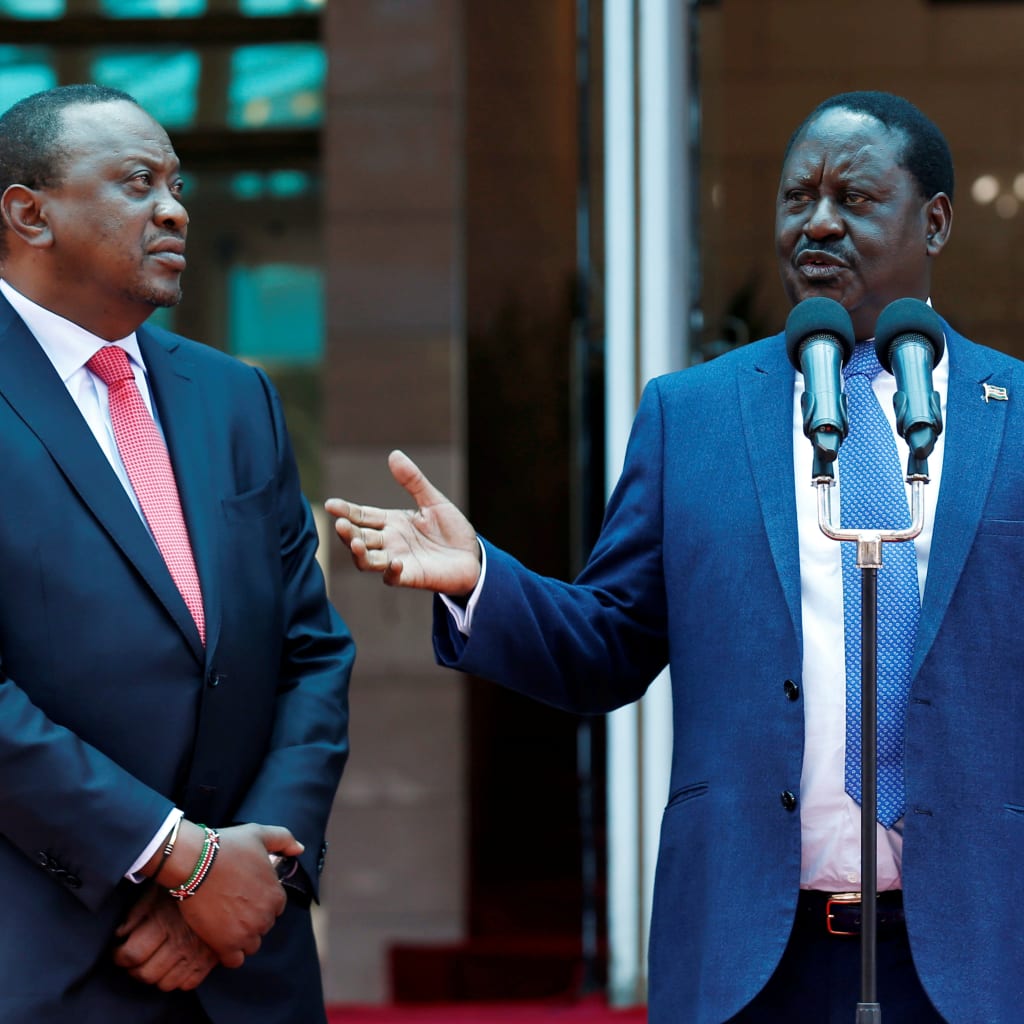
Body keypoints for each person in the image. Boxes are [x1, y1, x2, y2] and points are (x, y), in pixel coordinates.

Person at [326, 91, 1024, 1024]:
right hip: (750, 952)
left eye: (854, 197)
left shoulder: (1011, 414)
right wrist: (483, 580)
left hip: (981, 949)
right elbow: (608, 642)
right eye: (796, 197)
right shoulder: (690, 417)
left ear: (933, 220)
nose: (816, 221)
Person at [0, 84, 354, 1024]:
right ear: (28, 212)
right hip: (45, 958)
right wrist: (178, 857)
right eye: (137, 182)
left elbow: (311, 654)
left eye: (177, 182)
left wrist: (250, 873)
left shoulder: (236, 398)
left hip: (243, 959)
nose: (174, 207)